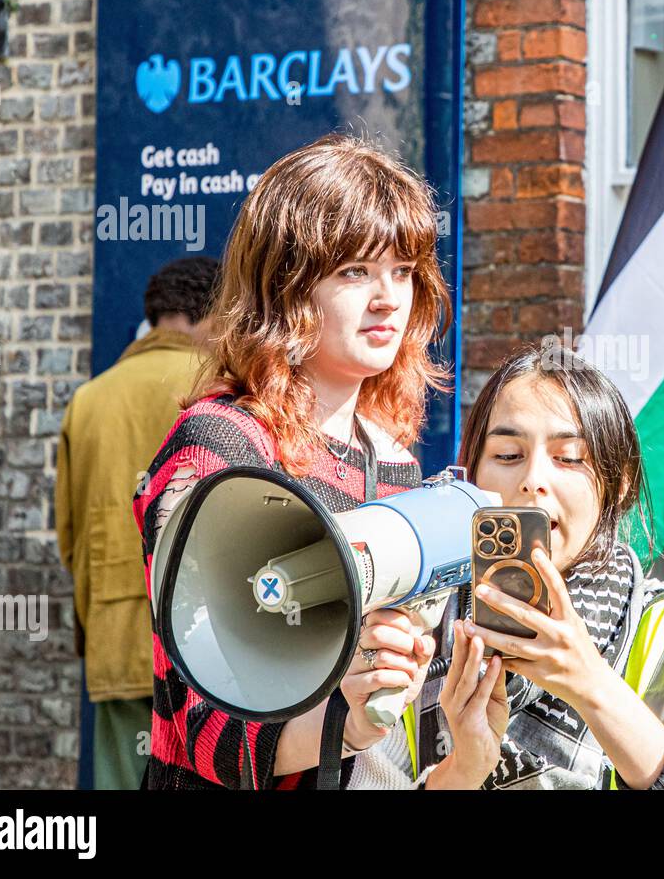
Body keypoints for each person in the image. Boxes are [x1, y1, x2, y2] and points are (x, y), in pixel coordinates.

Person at [131, 133, 451, 789]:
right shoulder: (219, 446)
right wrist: (351, 723)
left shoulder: (395, 460)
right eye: (354, 271)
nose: (389, 297)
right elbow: (200, 727)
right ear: (285, 287)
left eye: (402, 271)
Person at [348, 344, 664, 789]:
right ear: (471, 478)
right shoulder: (418, 632)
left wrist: (591, 685)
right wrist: (465, 768)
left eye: (569, 458)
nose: (533, 478)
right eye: (508, 455)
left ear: (619, 484)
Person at [55, 256, 220, 790]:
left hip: (120, 635)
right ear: (211, 312)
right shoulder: (224, 389)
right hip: (214, 640)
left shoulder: (89, 400)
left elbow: (69, 536)